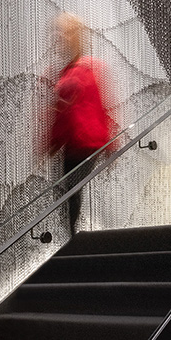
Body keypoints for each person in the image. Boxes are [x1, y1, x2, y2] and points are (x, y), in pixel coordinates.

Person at [46, 15, 117, 235]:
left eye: (65, 33)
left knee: (71, 188)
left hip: (87, 142)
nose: (60, 37)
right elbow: (60, 114)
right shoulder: (63, 73)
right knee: (67, 191)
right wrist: (52, 143)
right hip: (71, 144)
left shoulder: (90, 69)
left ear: (76, 35)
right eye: (58, 33)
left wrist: (110, 145)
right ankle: (71, 236)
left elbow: (102, 107)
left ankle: (73, 239)